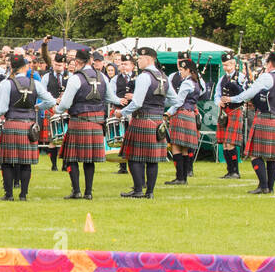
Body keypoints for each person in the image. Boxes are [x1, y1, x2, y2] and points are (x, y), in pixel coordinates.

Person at [221, 51, 275, 195]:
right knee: (272, 156)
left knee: (255, 154)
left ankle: (263, 186)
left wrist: (232, 99)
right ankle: (269, 188)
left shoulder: (267, 77)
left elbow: (249, 94)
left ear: (270, 64)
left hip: (265, 118)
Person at [0, 52, 57, 200]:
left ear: (12, 68)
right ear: (25, 67)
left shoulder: (6, 84)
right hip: (28, 126)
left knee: (7, 162)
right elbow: (51, 102)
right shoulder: (36, 84)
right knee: (26, 162)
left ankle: (9, 195)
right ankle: (23, 195)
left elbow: (1, 109)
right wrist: (38, 107)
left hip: (11, 124)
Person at [53, 47, 107, 200]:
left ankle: (76, 191)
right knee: (89, 159)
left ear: (77, 62)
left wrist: (57, 109)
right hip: (97, 122)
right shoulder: (102, 76)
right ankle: (88, 193)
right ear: (90, 60)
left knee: (71, 158)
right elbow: (110, 98)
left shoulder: (75, 78)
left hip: (79, 121)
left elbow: (66, 103)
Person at [117, 47, 168, 199]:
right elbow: (174, 99)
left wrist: (122, 112)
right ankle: (150, 192)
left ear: (148, 59)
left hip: (142, 119)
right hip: (158, 121)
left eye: (139, 59)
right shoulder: (163, 76)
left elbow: (137, 102)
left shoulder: (144, 76)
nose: (138, 61)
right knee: (152, 159)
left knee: (134, 156)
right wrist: (160, 106)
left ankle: (138, 190)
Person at [162, 57, 204, 186]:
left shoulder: (186, 83)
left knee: (175, 146)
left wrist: (169, 112)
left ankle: (180, 177)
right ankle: (184, 178)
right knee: (185, 148)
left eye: (182, 70)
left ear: (188, 70)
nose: (180, 73)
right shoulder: (197, 82)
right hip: (190, 114)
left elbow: (179, 101)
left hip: (181, 114)